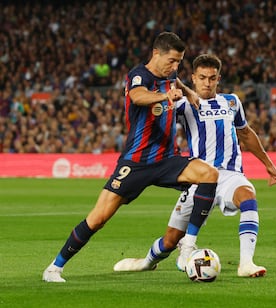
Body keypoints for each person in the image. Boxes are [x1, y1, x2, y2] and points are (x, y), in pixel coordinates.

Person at [42, 32, 219, 282]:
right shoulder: (139, 75)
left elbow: (176, 81)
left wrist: (189, 92)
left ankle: (188, 244)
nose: (175, 66)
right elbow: (138, 96)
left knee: (209, 175)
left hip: (167, 158)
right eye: (172, 60)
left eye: (179, 61)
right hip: (135, 162)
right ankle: (54, 267)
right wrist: (164, 96)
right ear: (156, 53)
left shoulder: (170, 75)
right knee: (99, 217)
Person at [113, 54, 276, 277]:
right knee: (170, 240)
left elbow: (246, 134)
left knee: (249, 197)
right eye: (202, 77)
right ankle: (146, 262)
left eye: (212, 78)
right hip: (198, 177)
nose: (207, 83)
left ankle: (246, 263)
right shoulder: (182, 104)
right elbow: (155, 121)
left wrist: (269, 164)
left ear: (218, 78)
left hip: (230, 175)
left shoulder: (231, 102)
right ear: (192, 78)